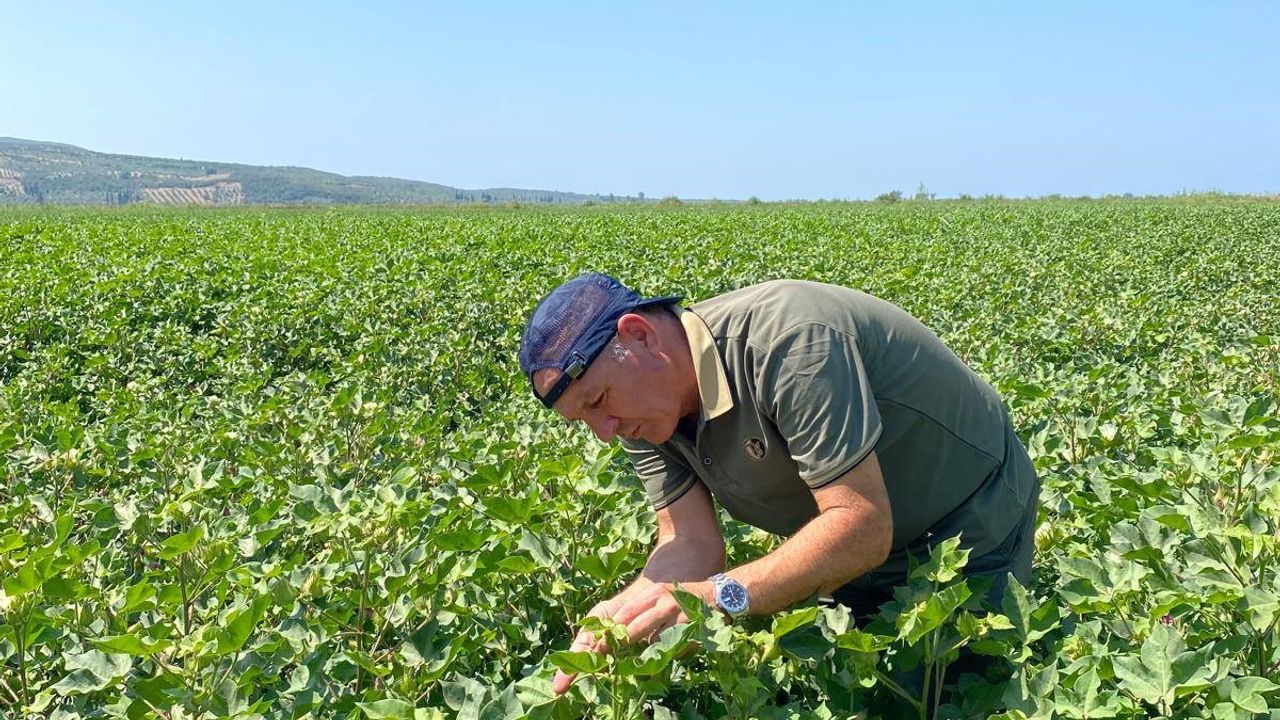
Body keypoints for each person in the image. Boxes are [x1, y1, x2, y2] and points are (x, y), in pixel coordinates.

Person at [518, 273, 1039, 696]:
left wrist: (719, 595)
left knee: (943, 696)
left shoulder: (788, 341)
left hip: (968, 524)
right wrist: (626, 611)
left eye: (598, 401)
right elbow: (689, 540)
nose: (604, 431)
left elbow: (862, 526)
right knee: (857, 695)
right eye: (584, 419)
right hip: (847, 548)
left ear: (640, 335)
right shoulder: (642, 413)